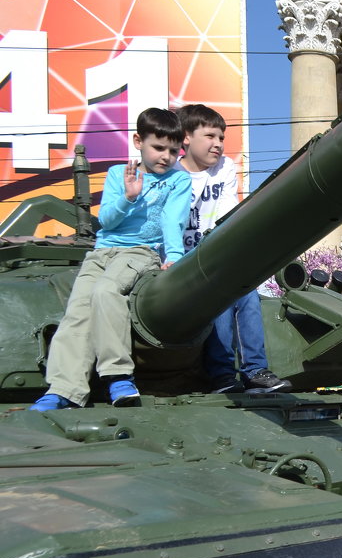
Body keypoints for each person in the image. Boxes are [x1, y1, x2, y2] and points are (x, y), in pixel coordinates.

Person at [30, 108, 192, 411]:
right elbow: (106, 221)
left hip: (140, 251)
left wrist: (173, 255)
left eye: (173, 151)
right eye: (159, 147)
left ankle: (118, 376)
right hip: (102, 252)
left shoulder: (178, 180)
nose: (166, 157)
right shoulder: (120, 174)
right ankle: (64, 388)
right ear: (138, 141)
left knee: (106, 292)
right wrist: (128, 197)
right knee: (78, 311)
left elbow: (173, 219)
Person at [175, 104, 291, 394]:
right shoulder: (172, 174)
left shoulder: (224, 167)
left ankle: (255, 370)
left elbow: (227, 213)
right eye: (209, 136)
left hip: (215, 252)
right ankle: (222, 373)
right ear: (186, 137)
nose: (218, 143)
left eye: (221, 137)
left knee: (246, 291)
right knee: (219, 300)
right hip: (182, 260)